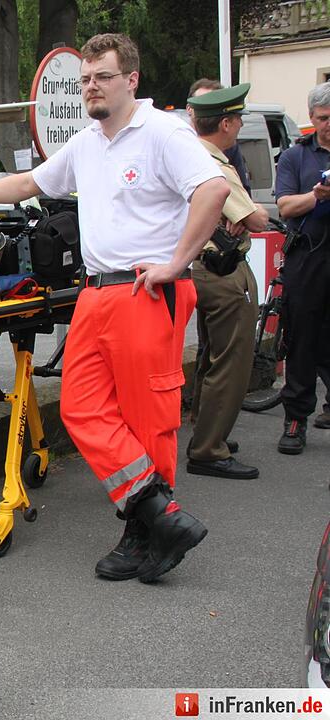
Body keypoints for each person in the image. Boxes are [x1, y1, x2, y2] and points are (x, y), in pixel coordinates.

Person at [0, 33, 229, 582]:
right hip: (95, 292)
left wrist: (174, 263)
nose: (92, 87)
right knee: (80, 408)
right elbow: (30, 182)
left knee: (149, 421)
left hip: (147, 291)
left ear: (131, 80)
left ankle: (143, 533)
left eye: (103, 77)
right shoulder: (88, 141)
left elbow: (211, 191)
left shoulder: (163, 131)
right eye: (86, 79)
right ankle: (160, 514)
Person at [185, 84, 268, 479]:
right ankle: (208, 448)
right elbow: (255, 219)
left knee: (209, 355)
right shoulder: (213, 162)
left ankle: (206, 429)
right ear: (226, 123)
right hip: (219, 268)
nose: (237, 125)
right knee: (231, 359)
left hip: (196, 266)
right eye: (236, 119)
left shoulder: (190, 153)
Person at [274, 82, 330, 454]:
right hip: (309, 256)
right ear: (311, 118)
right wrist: (315, 196)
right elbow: (284, 207)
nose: (329, 124)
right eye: (324, 118)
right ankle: (295, 419)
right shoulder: (296, 157)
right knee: (303, 338)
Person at [187, 78, 252, 196]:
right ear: (189, 108)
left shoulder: (230, 148)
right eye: (203, 102)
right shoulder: (177, 142)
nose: (208, 104)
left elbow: (243, 191)